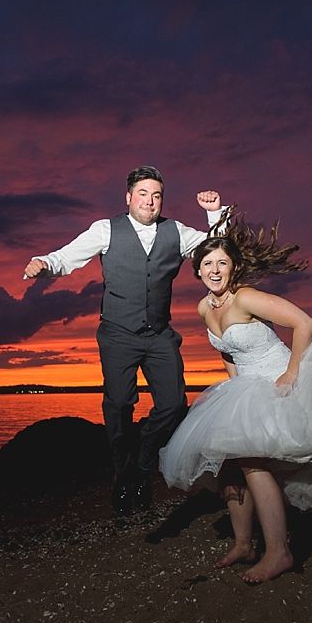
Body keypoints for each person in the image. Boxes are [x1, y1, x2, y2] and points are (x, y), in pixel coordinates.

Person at [158, 205, 312, 583]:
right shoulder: (202, 308)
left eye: (222, 263)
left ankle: (279, 552)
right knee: (228, 464)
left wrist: (293, 373)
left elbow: (304, 322)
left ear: (232, 268)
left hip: (280, 381)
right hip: (245, 388)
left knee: (253, 463)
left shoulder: (244, 297)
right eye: (207, 263)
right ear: (196, 270)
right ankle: (245, 543)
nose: (214, 270)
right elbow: (228, 352)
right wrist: (231, 388)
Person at [24, 166, 223, 514]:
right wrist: (44, 262)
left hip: (160, 334)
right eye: (143, 194)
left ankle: (143, 464)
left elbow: (219, 250)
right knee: (118, 406)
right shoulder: (106, 229)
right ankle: (122, 473)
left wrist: (214, 213)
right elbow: (67, 256)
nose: (150, 201)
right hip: (117, 334)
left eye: (157, 195)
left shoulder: (176, 231)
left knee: (175, 405)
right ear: (129, 197)